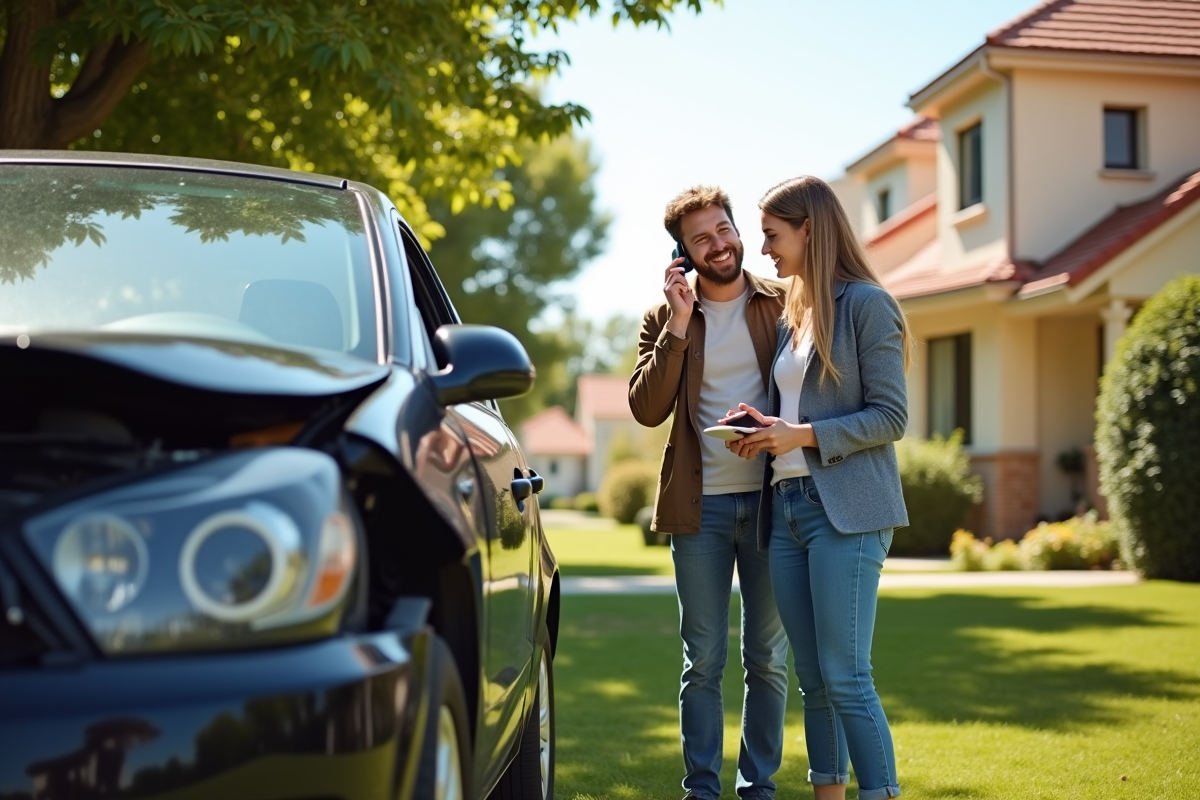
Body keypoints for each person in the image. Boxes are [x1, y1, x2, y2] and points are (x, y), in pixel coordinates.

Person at [724, 175, 910, 800]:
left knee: (847, 675)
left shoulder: (867, 305)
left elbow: (891, 417)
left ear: (811, 229)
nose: (766, 249)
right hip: (789, 511)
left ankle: (880, 793)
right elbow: (793, 415)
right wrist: (761, 431)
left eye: (773, 236)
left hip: (848, 514)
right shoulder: (793, 315)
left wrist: (799, 435)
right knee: (813, 679)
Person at [629, 186, 790, 800]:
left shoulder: (780, 303)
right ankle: (701, 788)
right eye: (702, 238)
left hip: (775, 503)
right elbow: (646, 410)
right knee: (703, 661)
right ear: (682, 252)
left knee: (768, 658)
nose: (719, 243)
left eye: (724, 229)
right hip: (699, 510)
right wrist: (677, 321)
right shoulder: (664, 317)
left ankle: (760, 787)